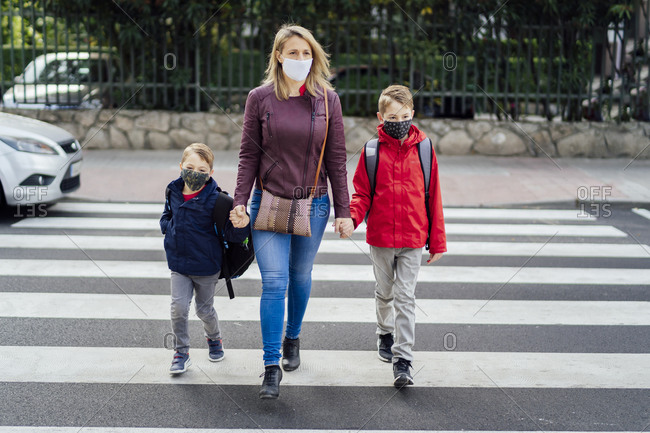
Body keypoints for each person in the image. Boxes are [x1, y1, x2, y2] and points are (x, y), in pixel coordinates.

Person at [230, 24, 353, 399]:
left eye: (306, 53)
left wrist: (343, 210)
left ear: (314, 57)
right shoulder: (260, 98)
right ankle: (270, 366)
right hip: (266, 202)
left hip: (313, 204)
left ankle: (292, 337)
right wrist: (239, 201)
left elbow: (336, 159)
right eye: (293, 52)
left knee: (300, 276)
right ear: (278, 56)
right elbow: (248, 154)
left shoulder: (327, 100)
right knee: (274, 283)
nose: (300, 59)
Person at [349, 85, 447, 387]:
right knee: (385, 293)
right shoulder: (371, 151)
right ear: (381, 117)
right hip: (380, 237)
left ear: (413, 113)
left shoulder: (425, 149)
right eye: (393, 116)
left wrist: (438, 241)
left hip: (414, 238)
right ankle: (384, 333)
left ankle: (403, 359)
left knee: (405, 297)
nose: (400, 121)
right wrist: (351, 218)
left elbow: (434, 198)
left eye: (405, 115)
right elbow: (362, 195)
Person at [160, 143, 250, 375]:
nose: (195, 173)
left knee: (204, 310)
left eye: (202, 170)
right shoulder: (173, 191)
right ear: (181, 167)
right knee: (178, 308)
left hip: (207, 267)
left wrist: (243, 224)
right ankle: (181, 352)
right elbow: (166, 214)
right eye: (190, 167)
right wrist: (168, 227)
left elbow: (233, 234)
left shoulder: (218, 200)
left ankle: (214, 339)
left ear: (210, 173)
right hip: (179, 264)